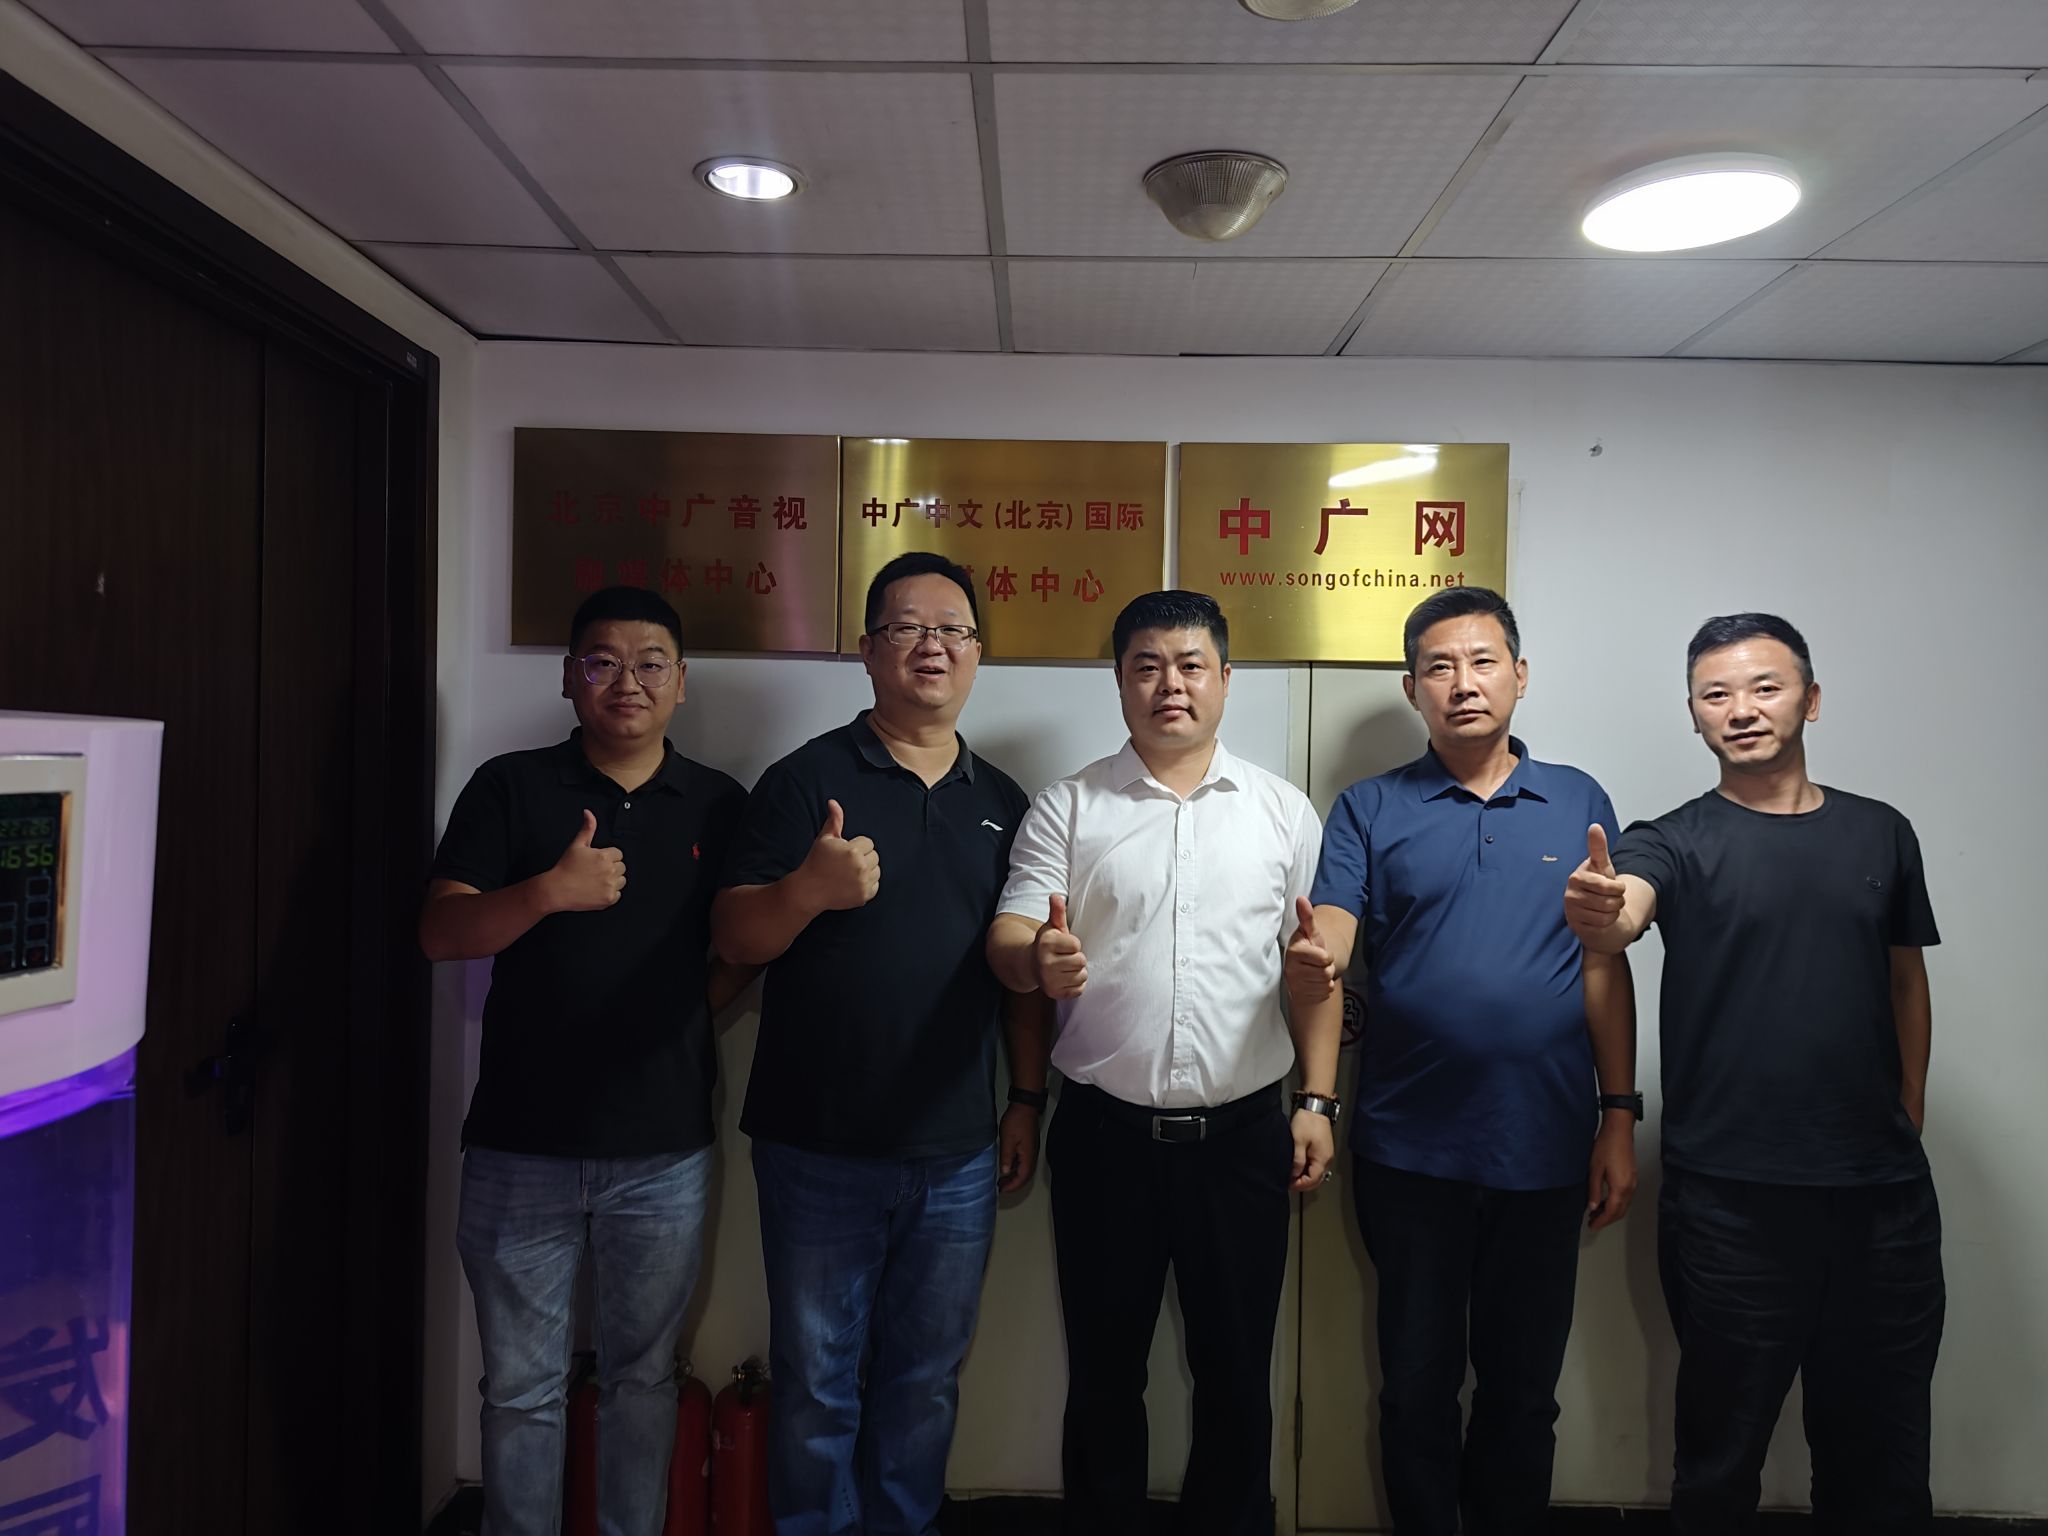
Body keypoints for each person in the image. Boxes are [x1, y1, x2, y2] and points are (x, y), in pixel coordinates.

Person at [1565, 612, 1943, 1534]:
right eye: (1716, 695)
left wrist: (1907, 1109)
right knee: (1718, 1461)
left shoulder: (1882, 833)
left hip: (1881, 1204)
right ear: (1694, 714)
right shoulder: (1671, 840)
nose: (1741, 709)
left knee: (1881, 1462)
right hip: (1728, 1205)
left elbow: (1905, 977)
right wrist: (1607, 911)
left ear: (1811, 699)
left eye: (1765, 688)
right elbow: (1625, 909)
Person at [1286, 587, 1637, 1536]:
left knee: (1523, 1394)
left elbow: (1604, 967)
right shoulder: (1369, 807)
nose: (1463, 683)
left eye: (1483, 662)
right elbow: (1336, 926)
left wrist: (1619, 1116)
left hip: (1546, 1149)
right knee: (1415, 1390)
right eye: (1439, 667)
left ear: (1519, 675)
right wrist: (1319, 954)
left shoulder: (1579, 801)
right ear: (1413, 689)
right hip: (1410, 1153)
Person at [711, 551, 1047, 1536]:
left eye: (952, 630)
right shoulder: (803, 781)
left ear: (977, 653)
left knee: (924, 1379)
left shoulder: (1006, 801)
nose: (931, 646)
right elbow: (733, 939)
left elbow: (1020, 974)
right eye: (906, 628)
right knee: (817, 1383)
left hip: (955, 1152)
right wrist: (805, 891)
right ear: (867, 650)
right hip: (816, 1146)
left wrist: (1025, 1099)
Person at [987, 589, 1329, 1536]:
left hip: (1244, 1140)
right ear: (1119, 681)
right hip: (1105, 1139)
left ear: (1225, 678)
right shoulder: (1070, 806)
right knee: (1104, 1376)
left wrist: (1318, 1101)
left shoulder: (1282, 811)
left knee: (1237, 1375)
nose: (1169, 685)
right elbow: (1011, 936)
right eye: (1147, 666)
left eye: (1190, 665)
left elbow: (1314, 972)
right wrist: (1037, 958)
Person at [422, 585, 748, 1536]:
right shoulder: (510, 787)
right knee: (521, 1389)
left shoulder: (719, 803)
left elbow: (742, 948)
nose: (627, 681)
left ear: (681, 683)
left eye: (651, 663)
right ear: (570, 678)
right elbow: (440, 933)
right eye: (602, 661)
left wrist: (683, 1008)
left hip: (663, 1150)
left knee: (643, 1381)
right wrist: (546, 892)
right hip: (519, 1144)